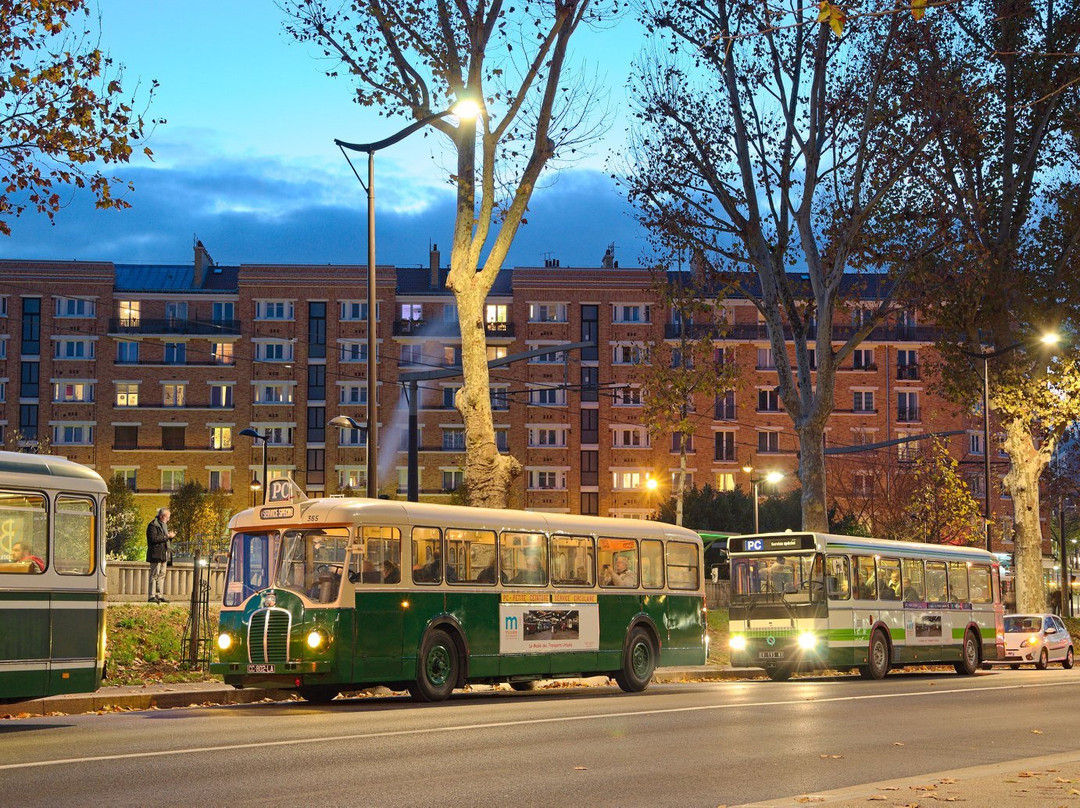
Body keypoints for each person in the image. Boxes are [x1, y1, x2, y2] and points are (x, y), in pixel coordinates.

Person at [145, 508, 175, 603]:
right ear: (162, 516)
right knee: (154, 575)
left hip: (163, 554)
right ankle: (151, 596)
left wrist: (170, 537)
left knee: (161, 575)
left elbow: (164, 540)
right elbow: (153, 539)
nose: (168, 519)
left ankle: (159, 595)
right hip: (155, 554)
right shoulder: (153, 525)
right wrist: (167, 536)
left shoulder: (163, 526)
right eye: (167, 517)